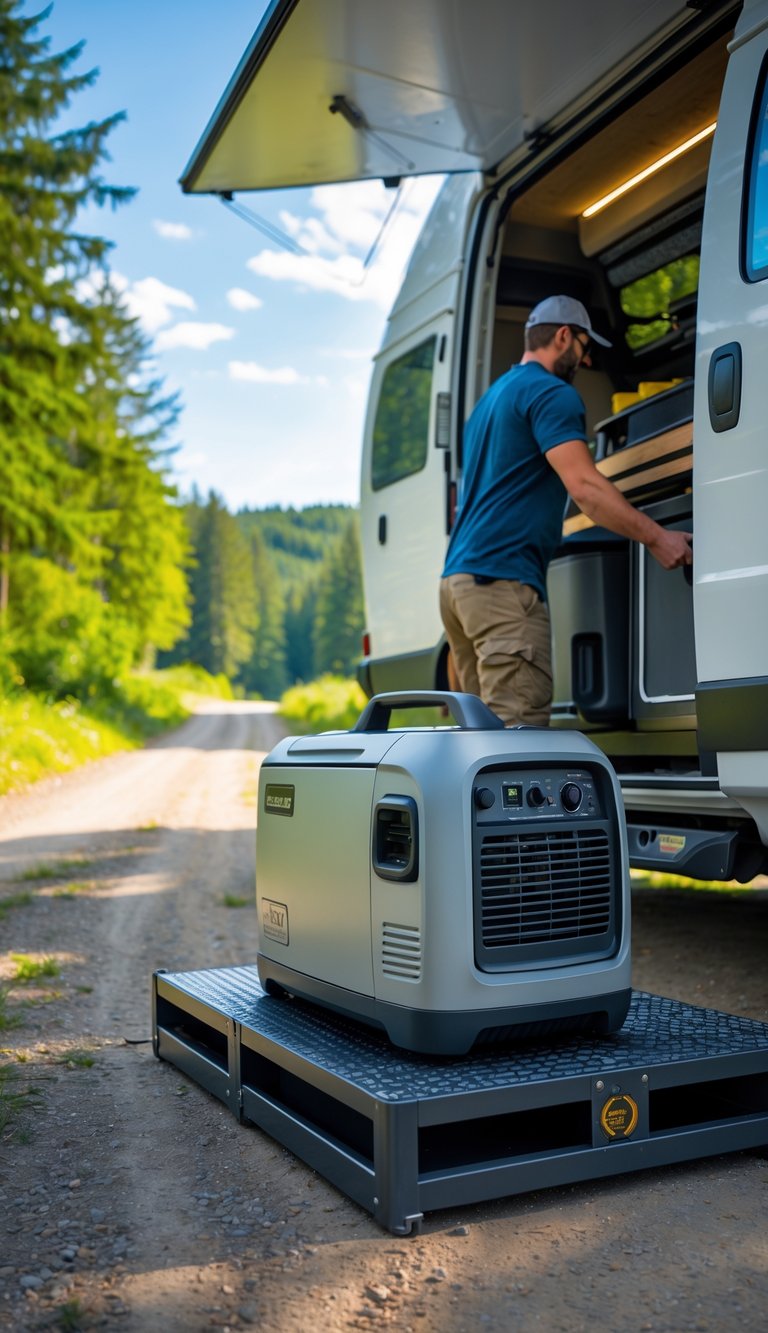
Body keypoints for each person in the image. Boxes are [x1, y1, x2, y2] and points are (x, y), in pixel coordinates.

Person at [439, 294, 692, 727]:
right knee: (517, 741)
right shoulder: (551, 393)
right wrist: (658, 537)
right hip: (503, 585)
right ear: (562, 336)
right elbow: (585, 488)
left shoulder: (490, 401)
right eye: (583, 346)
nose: (586, 359)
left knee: (480, 740)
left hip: (457, 587)